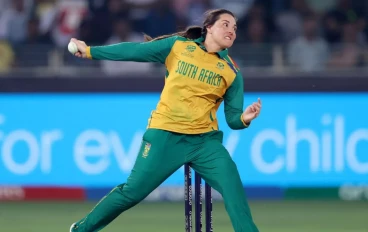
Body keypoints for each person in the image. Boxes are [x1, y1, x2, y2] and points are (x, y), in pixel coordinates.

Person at [69, 8, 261, 232]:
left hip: (204, 142)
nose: (231, 30)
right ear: (209, 27)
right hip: (165, 135)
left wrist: (244, 118)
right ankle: (80, 229)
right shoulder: (178, 47)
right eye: (225, 24)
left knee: (233, 188)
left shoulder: (232, 72)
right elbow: (134, 51)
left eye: (235, 28)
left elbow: (232, 120)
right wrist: (90, 51)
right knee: (132, 192)